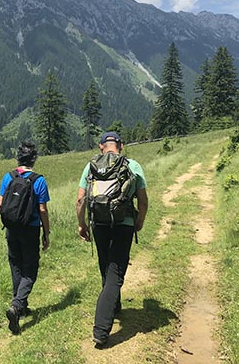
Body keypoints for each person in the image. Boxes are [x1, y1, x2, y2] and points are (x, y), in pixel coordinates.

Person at [75, 131, 148, 347]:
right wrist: (140, 221)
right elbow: (143, 201)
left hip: (99, 223)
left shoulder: (91, 167)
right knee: (115, 272)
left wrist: (82, 224)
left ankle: (114, 305)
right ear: (121, 146)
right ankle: (101, 329)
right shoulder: (132, 165)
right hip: (123, 223)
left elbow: (80, 200)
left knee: (105, 264)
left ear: (101, 147)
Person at [0, 141, 50, 335]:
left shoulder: (8, 177)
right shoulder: (39, 180)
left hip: (11, 228)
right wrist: (46, 233)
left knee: (16, 265)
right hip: (30, 229)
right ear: (34, 159)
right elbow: (42, 209)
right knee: (30, 270)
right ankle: (17, 305)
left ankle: (20, 307)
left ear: (18, 158)